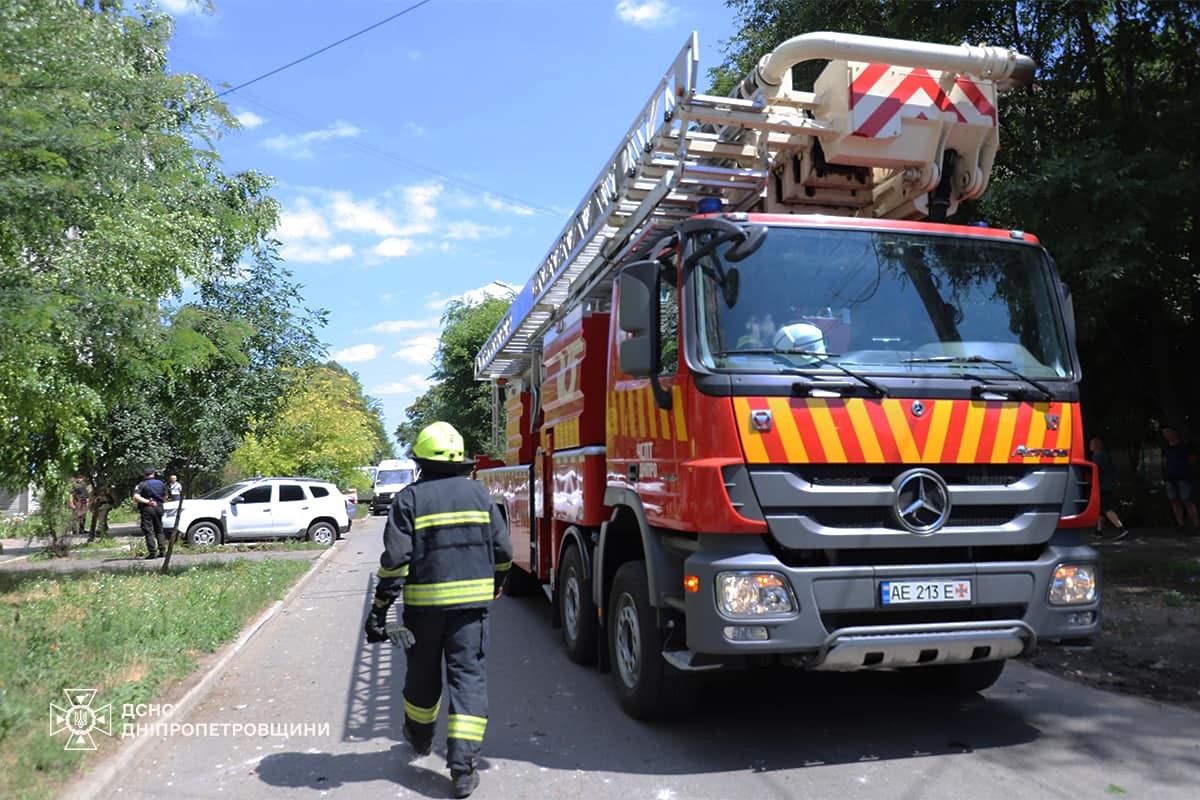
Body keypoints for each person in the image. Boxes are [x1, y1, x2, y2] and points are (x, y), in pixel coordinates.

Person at [363, 421, 512, 799]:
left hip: (423, 612)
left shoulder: (408, 500)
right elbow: (505, 553)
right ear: (461, 460)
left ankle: (419, 737)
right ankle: (462, 770)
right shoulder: (480, 495)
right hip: (470, 614)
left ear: (420, 462)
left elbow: (396, 562)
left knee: (423, 676)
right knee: (468, 680)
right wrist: (495, 584)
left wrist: (379, 611)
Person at [1089, 436, 1130, 540]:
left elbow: (1097, 470)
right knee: (1101, 510)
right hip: (1108, 485)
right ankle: (1099, 531)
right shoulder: (1103, 454)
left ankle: (1121, 528)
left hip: (1103, 486)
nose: (1090, 446)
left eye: (1092, 444)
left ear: (1097, 445)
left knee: (1106, 508)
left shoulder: (1098, 455)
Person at [1160, 426, 1199, 531]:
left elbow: (1192, 460)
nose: (1166, 434)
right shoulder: (1165, 447)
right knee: (1174, 501)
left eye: (1168, 431)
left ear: (1174, 432)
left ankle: (1196, 524)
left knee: (1187, 500)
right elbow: (1164, 462)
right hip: (1170, 477)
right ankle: (1180, 524)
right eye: (1164, 432)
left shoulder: (1185, 445)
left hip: (1184, 477)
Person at [132, 468, 167, 559]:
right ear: (153, 474)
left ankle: (152, 552)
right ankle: (162, 551)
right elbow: (166, 496)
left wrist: (148, 502)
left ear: (144, 475)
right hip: (159, 508)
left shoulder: (142, 484)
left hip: (147, 508)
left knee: (148, 530)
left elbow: (136, 497)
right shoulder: (161, 483)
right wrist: (159, 501)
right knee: (159, 529)